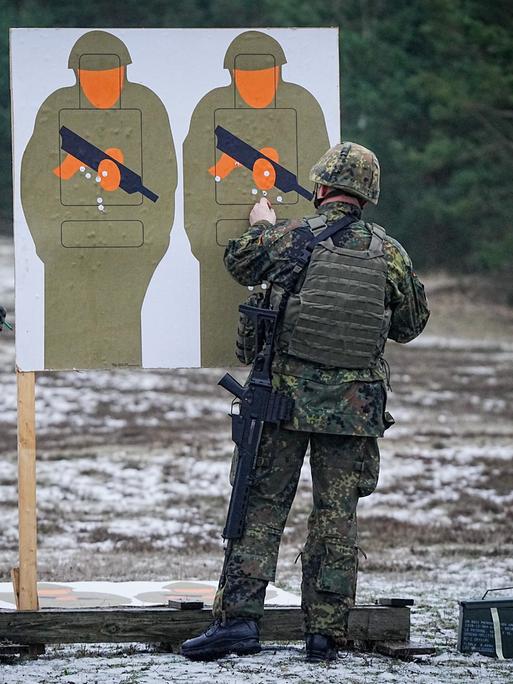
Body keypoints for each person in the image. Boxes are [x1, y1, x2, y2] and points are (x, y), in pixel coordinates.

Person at [181, 142, 430, 662]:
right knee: (336, 515)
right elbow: (409, 326)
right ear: (368, 197)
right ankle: (324, 631)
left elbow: (239, 261)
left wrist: (259, 222)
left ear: (320, 189)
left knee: (261, 505)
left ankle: (240, 623)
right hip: (353, 409)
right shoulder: (391, 253)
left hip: (285, 402)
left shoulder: (294, 237)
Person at [21, 30, 176, 369]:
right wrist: (47, 242)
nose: (101, 85)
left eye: (109, 76)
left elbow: (165, 180)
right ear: (77, 75)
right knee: (63, 344)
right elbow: (34, 181)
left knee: (123, 340)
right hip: (66, 245)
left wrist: (153, 243)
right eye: (92, 77)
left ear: (124, 72)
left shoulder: (146, 106)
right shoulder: (57, 106)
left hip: (130, 244)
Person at [183, 30, 330, 366]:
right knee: (222, 345)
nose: (255, 85)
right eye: (247, 77)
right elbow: (195, 184)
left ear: (278, 73)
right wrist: (225, 169)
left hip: (297, 260)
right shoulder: (211, 108)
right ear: (233, 76)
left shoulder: (302, 105)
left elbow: (315, 185)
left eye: (263, 77)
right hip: (223, 252)